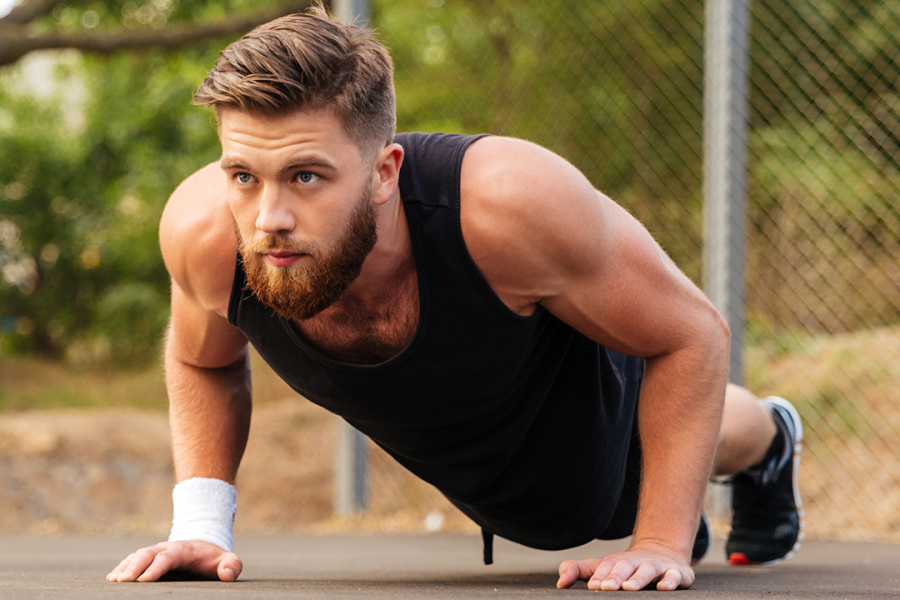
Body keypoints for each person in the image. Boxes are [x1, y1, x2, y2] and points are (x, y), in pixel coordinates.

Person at [106, 6, 803, 591]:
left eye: (307, 176)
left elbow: (691, 335)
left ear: (384, 173)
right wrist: (200, 525)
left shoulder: (507, 206)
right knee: (556, 511)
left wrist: (660, 541)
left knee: (630, 471)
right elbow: (203, 361)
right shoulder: (206, 236)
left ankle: (770, 439)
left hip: (577, 403)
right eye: (243, 175)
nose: (269, 218)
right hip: (492, 477)